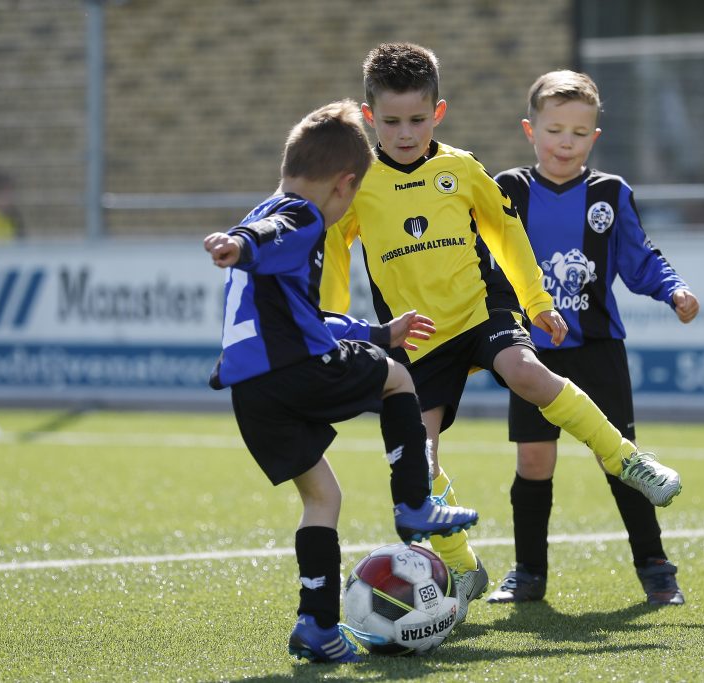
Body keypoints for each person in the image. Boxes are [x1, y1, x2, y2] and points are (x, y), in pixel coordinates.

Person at [321, 44, 683, 622]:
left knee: (527, 371)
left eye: (417, 119)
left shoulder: (462, 169)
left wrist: (536, 301)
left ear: (438, 113)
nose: (405, 132)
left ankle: (627, 458)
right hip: (418, 337)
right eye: (391, 121)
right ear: (370, 118)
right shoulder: (359, 186)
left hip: (480, 313)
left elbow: (506, 235)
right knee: (420, 455)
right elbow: (335, 251)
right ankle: (463, 567)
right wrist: (336, 329)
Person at [203, 99, 479, 664]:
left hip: (252, 392)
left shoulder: (271, 209)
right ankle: (414, 505)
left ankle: (317, 627)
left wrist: (378, 332)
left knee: (323, 497)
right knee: (399, 378)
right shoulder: (298, 216)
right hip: (292, 372)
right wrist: (239, 244)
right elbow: (268, 232)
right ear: (344, 186)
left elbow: (308, 318)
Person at [486, 70, 700, 607]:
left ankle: (656, 571)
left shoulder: (610, 194)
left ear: (594, 137)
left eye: (579, 133)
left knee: (622, 459)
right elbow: (480, 259)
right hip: (530, 354)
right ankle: (527, 574)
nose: (565, 141)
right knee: (534, 462)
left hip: (599, 349)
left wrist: (673, 290)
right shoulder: (506, 190)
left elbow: (639, 258)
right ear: (530, 129)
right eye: (554, 129)